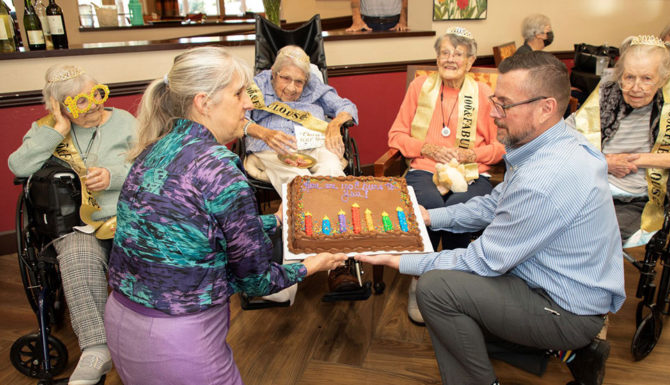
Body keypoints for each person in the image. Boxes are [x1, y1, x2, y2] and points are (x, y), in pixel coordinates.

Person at [357, 51, 626, 385]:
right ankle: (572, 355)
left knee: (436, 290)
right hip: (550, 283)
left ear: (546, 109)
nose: (494, 114)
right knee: (456, 312)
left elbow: (484, 260)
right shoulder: (551, 141)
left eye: (505, 105)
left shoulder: (545, 177)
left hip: (566, 309)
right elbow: (494, 203)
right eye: (495, 100)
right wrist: (428, 217)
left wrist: (401, 259)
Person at [104, 46, 348, 385]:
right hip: (178, 340)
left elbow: (192, 230)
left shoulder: (155, 147)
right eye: (238, 93)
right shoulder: (217, 167)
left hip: (120, 322)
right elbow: (256, 280)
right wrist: (313, 265)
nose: (249, 103)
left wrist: (274, 220)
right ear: (204, 102)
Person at [8, 65, 136, 385]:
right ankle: (95, 349)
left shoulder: (124, 122)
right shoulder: (48, 129)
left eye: (97, 93)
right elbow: (18, 165)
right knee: (78, 255)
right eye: (80, 101)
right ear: (60, 106)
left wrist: (113, 176)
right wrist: (56, 129)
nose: (93, 104)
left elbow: (151, 163)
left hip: (128, 216)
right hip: (79, 225)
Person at [387, 26, 505, 324]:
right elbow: (396, 135)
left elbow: (501, 146)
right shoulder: (420, 88)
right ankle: (419, 280)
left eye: (458, 54)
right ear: (437, 57)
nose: (450, 59)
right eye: (445, 52)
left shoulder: (484, 93)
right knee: (427, 207)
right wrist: (426, 147)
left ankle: (453, 285)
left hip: (470, 172)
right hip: (425, 168)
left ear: (470, 61)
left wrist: (471, 155)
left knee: (461, 211)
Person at [567, 35, 670, 246]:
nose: (636, 88)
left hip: (637, 199)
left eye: (647, 78)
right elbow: (566, 133)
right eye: (629, 77)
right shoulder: (608, 90)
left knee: (588, 236)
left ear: (663, 79)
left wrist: (638, 160)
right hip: (589, 186)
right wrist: (605, 161)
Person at [243, 45, 359, 193]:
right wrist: (264, 133)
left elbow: (347, 106)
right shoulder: (257, 86)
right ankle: (311, 214)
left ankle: (327, 213)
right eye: (285, 78)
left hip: (314, 144)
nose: (291, 88)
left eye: (299, 82)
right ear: (273, 73)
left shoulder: (314, 85)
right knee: (299, 179)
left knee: (332, 169)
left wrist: (335, 124)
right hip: (273, 146)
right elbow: (239, 119)